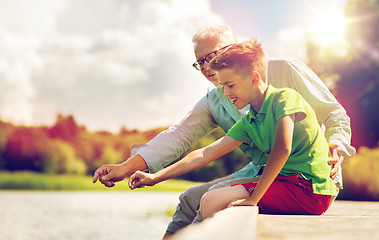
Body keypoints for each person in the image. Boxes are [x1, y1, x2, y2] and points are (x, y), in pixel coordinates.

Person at [93, 26, 355, 238]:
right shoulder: (216, 100)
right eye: (200, 63)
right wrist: (130, 168)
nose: (207, 67)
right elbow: (185, 140)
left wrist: (337, 146)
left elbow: (333, 113)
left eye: (212, 57)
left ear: (236, 49)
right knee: (188, 199)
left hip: (307, 179)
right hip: (260, 174)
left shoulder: (283, 72)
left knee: (210, 203)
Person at [129, 38, 337, 218]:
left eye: (230, 85)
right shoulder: (251, 121)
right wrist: (155, 177)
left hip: (309, 189)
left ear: (254, 78)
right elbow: (205, 153)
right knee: (212, 200)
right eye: (222, 86)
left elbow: (283, 148)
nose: (226, 93)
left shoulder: (284, 98)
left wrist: (254, 198)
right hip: (285, 185)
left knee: (213, 200)